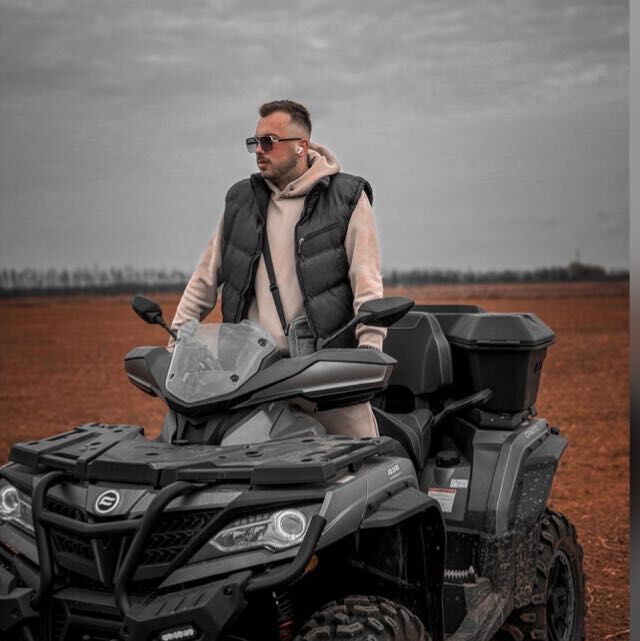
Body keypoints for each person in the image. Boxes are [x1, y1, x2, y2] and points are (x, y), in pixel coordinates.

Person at [171, 99, 385, 437]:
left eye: (268, 142)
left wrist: (370, 348)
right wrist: (177, 344)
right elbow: (204, 280)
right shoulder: (241, 201)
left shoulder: (346, 198)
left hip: (326, 378)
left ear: (301, 146)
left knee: (360, 461)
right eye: (254, 142)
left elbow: (367, 283)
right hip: (251, 381)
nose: (259, 150)